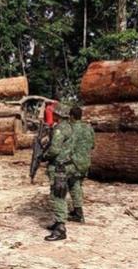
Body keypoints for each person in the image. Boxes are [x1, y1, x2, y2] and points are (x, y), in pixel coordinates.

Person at [42, 103, 75, 241]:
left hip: (59, 167)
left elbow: (54, 150)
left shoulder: (60, 129)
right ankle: (58, 221)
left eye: (54, 113)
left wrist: (44, 156)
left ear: (59, 115)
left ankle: (60, 228)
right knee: (60, 193)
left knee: (57, 195)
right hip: (67, 165)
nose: (53, 114)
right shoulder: (70, 127)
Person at [68, 106, 95, 223]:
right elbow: (93, 145)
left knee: (74, 186)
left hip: (75, 162)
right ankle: (76, 209)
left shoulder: (71, 128)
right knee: (79, 185)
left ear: (72, 116)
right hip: (86, 161)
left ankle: (79, 214)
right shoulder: (88, 127)